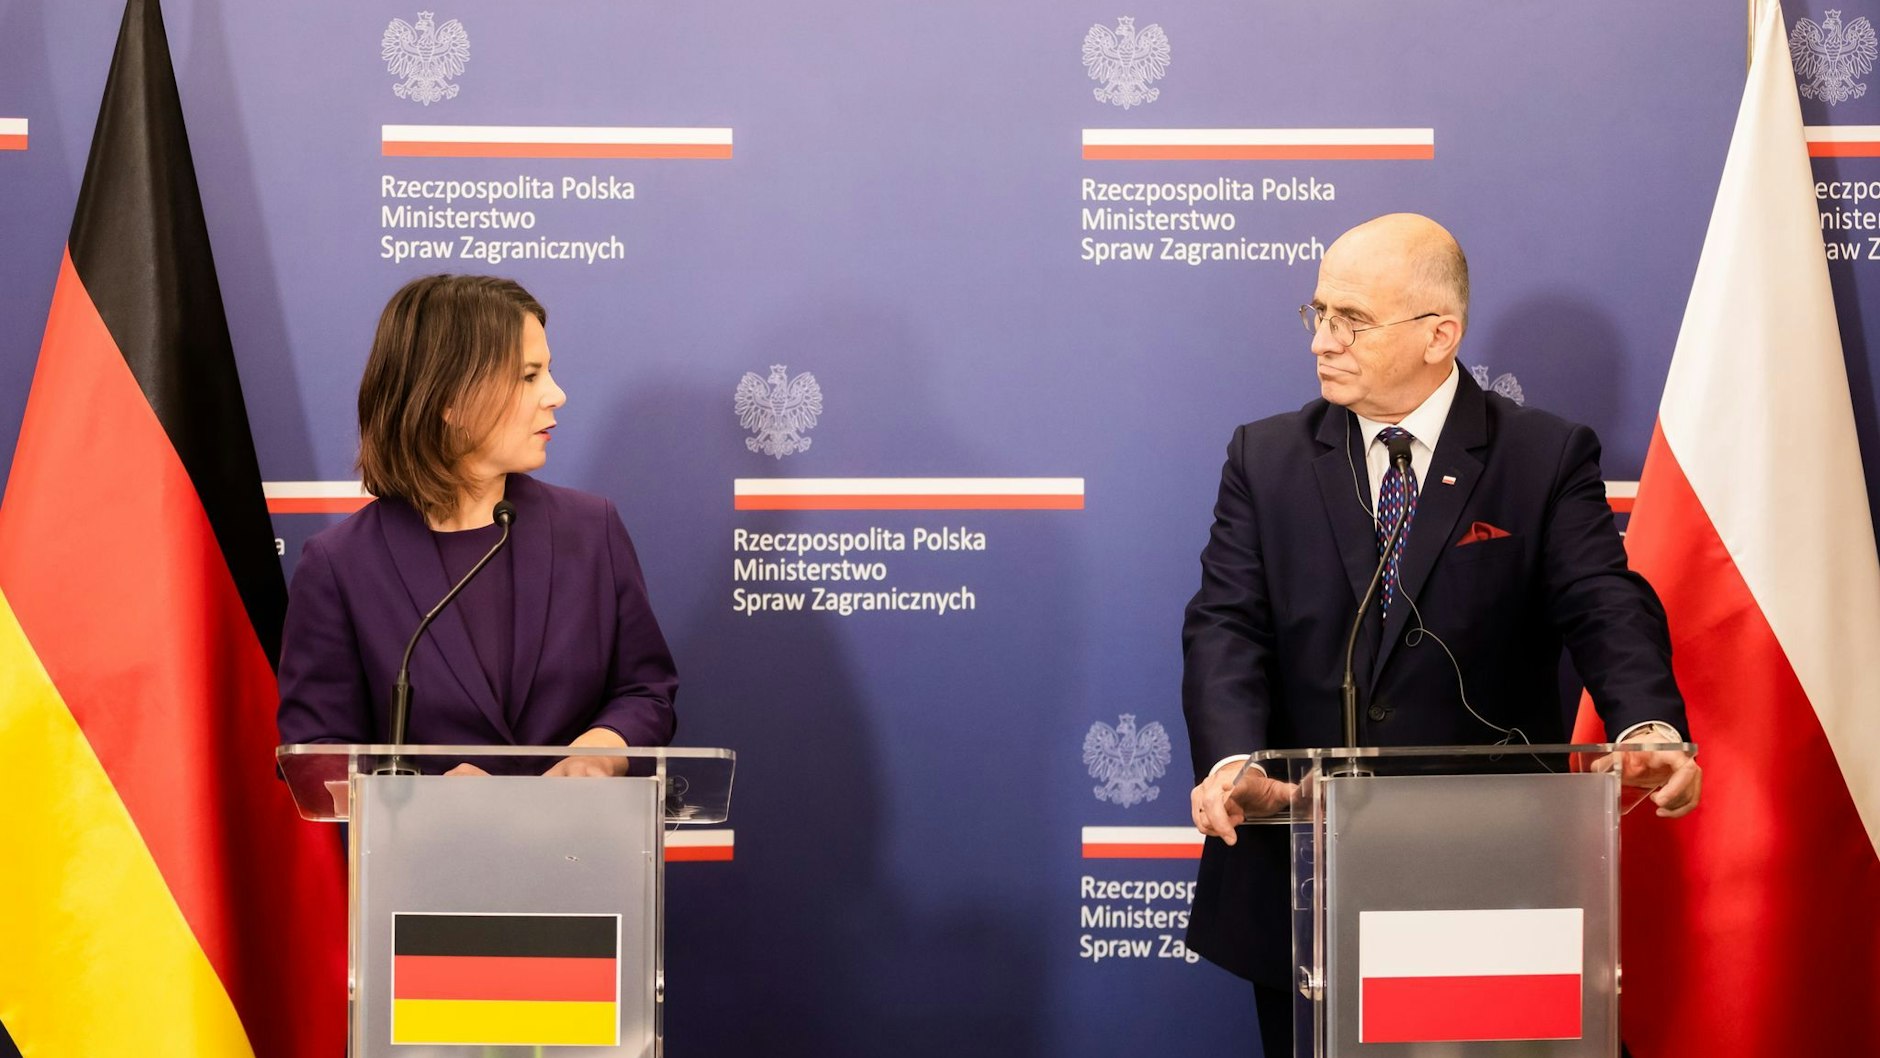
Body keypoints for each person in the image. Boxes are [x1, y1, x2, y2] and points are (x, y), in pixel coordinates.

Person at [1179, 214, 1701, 1055]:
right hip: (1304, 872)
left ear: (1439, 335)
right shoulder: (1265, 456)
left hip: (1487, 872)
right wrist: (1235, 759)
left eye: (1352, 320)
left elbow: (1604, 600)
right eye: (1317, 313)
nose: (1324, 341)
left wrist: (1648, 723)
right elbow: (1225, 625)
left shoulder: (1542, 455)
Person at [277, 274, 677, 775]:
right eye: (529, 376)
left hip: (579, 847)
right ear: (449, 398)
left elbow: (645, 691)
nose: (556, 395)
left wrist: (604, 747)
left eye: (548, 372)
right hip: (429, 852)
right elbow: (316, 751)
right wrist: (420, 790)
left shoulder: (592, 530)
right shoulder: (341, 565)